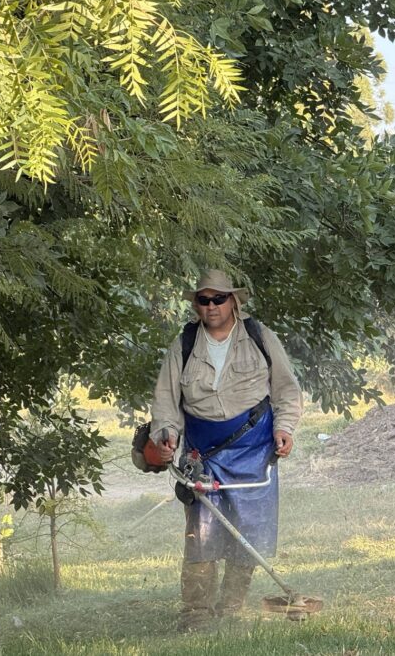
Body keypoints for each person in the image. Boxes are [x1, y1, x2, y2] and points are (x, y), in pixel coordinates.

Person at [150, 270, 302, 631]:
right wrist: (167, 435)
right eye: (204, 299)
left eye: (219, 298)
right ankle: (196, 615)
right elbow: (166, 400)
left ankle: (232, 608)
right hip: (204, 454)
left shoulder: (260, 337)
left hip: (255, 449)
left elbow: (286, 390)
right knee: (201, 535)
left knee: (247, 532)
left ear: (234, 300)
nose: (212, 305)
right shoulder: (184, 343)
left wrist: (285, 428)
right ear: (196, 305)